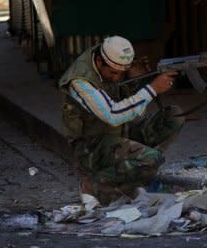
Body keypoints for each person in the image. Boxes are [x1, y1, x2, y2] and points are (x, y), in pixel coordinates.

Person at [58, 35, 185, 203]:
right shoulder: (80, 81)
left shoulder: (111, 63)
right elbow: (113, 115)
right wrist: (152, 89)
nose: (117, 77)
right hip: (91, 146)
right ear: (99, 61)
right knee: (152, 158)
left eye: (121, 73)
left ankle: (133, 175)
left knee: (174, 116)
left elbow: (134, 112)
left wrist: (137, 81)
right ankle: (93, 184)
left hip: (119, 132)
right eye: (113, 73)